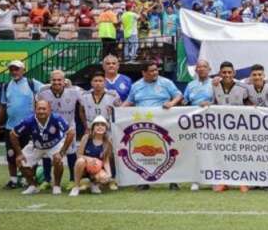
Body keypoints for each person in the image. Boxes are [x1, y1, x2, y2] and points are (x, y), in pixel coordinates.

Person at [123, 61, 183, 190]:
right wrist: (117, 110)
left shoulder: (166, 82)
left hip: (164, 124)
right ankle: (143, 181)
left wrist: (172, 103)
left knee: (167, 152)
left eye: (156, 70)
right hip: (143, 126)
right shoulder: (136, 86)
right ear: (143, 73)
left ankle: (173, 181)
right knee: (144, 152)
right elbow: (129, 101)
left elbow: (179, 95)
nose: (155, 72)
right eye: (151, 70)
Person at [0, 60, 44, 189]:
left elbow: (48, 89)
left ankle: (29, 179)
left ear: (23, 70)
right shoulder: (6, 86)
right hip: (11, 127)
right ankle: (13, 180)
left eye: (17, 69)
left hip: (30, 127)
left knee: (30, 155)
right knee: (11, 155)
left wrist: (66, 83)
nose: (14, 72)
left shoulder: (32, 83)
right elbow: (3, 106)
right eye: (12, 70)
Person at [12, 99, 75, 195]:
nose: (41, 111)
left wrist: (62, 152)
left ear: (50, 110)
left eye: (44, 109)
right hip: (37, 145)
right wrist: (19, 153)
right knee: (19, 161)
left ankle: (57, 186)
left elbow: (71, 133)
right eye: (39, 109)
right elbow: (13, 134)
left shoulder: (56, 118)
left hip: (54, 144)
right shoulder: (28, 120)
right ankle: (32, 186)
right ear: (35, 110)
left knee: (57, 159)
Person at [78, 71, 122, 191]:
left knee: (110, 154)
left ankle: (112, 179)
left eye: (100, 81)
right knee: (88, 154)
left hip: (107, 129)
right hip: (91, 128)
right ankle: (88, 179)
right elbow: (81, 110)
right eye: (95, 81)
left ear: (105, 82)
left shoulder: (113, 95)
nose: (98, 83)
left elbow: (119, 111)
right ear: (91, 83)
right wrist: (86, 126)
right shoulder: (84, 95)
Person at [36, 69, 82, 183]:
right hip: (50, 128)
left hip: (68, 128)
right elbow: (36, 105)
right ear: (50, 80)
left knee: (71, 153)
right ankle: (47, 180)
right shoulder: (43, 92)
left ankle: (72, 180)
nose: (57, 82)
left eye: (59, 80)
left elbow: (88, 97)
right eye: (54, 80)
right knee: (46, 153)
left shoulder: (74, 91)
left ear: (64, 80)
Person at [69, 115, 113, 197]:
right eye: (97, 125)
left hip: (96, 169)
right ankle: (76, 187)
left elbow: (106, 161)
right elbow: (79, 155)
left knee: (104, 177)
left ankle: (94, 184)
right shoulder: (86, 138)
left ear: (106, 129)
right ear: (93, 128)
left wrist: (109, 175)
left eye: (103, 125)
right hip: (84, 168)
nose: (100, 127)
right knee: (80, 161)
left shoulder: (108, 142)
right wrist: (90, 159)